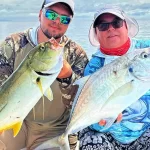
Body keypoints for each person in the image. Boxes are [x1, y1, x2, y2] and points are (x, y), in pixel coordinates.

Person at [0, 0, 89, 149]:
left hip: (54, 128)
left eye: (64, 18)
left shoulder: (76, 54)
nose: (57, 21)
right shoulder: (12, 44)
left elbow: (81, 104)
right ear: (40, 14)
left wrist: (67, 77)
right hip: (14, 122)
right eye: (51, 14)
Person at [78, 5, 150, 150]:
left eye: (116, 23)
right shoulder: (94, 67)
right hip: (110, 135)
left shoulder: (145, 49)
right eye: (103, 26)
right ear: (97, 33)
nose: (111, 28)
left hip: (146, 130)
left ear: (126, 26)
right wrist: (100, 123)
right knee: (91, 138)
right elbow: (91, 118)